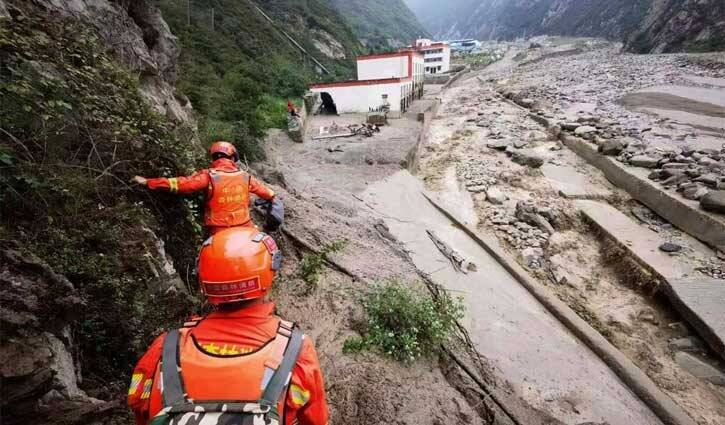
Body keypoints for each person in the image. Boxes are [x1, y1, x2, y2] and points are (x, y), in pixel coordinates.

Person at [127, 227, 329, 425]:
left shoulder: (164, 349)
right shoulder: (296, 350)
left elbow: (138, 406)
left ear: (203, 279)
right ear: (270, 274)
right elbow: (316, 419)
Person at [132, 141, 277, 234]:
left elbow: (182, 184)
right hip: (245, 226)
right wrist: (272, 197)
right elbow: (268, 193)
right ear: (232, 158)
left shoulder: (209, 176)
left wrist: (150, 182)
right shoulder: (245, 177)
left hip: (218, 230)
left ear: (214, 158)